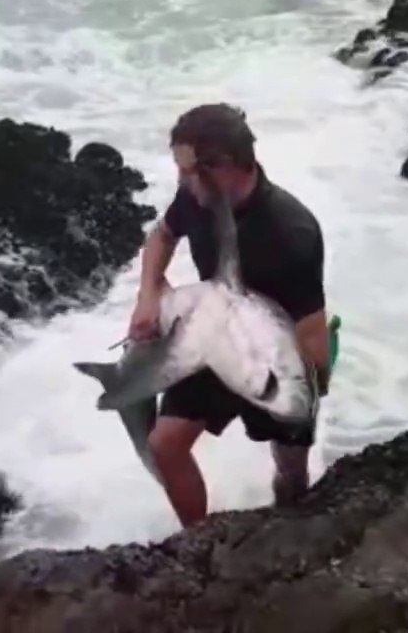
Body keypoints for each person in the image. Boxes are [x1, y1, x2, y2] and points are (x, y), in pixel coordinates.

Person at [129, 102, 331, 528]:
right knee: (166, 445)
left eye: (189, 171)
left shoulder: (290, 233)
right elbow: (162, 236)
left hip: (276, 352)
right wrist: (147, 296)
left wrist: (311, 390)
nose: (181, 183)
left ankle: (290, 524)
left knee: (291, 469)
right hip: (215, 334)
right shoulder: (197, 195)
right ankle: (197, 542)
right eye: (179, 170)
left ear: (226, 166)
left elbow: (312, 331)